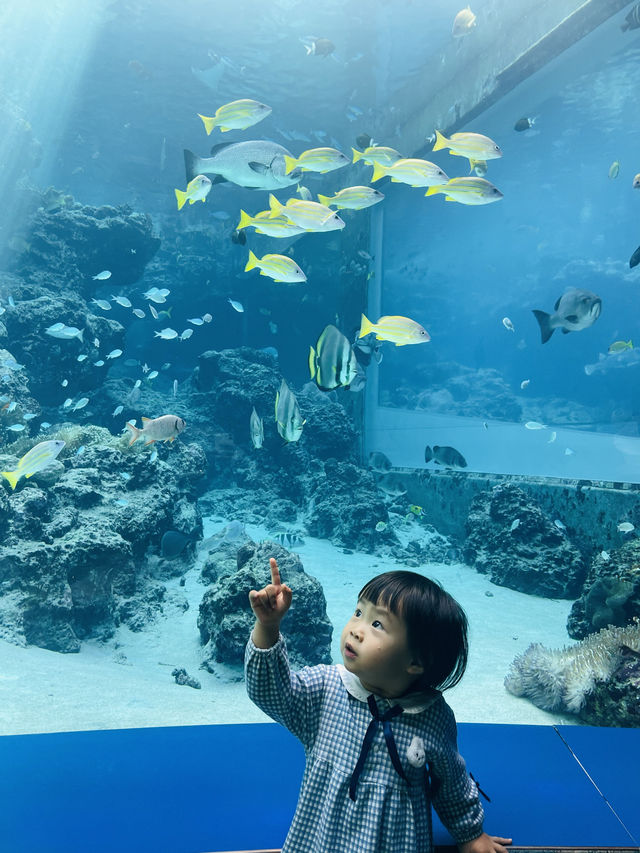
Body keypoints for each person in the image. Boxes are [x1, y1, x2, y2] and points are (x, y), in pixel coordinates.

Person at [245, 558, 512, 853]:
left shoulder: (431, 715)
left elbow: (450, 781)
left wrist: (470, 834)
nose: (356, 629)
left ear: (415, 662)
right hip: (321, 841)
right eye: (358, 612)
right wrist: (267, 627)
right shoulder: (325, 688)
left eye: (377, 624)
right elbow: (270, 692)